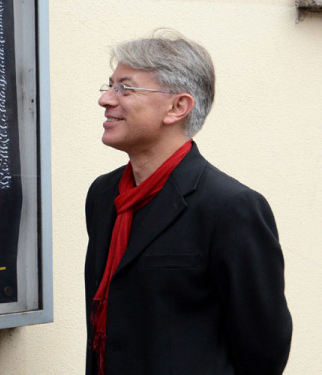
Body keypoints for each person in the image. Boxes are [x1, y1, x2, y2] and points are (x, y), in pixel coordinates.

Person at [85, 29, 292, 375]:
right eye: (109, 85)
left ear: (177, 107)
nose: (106, 99)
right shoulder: (105, 196)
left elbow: (264, 351)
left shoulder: (231, 208)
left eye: (126, 87)